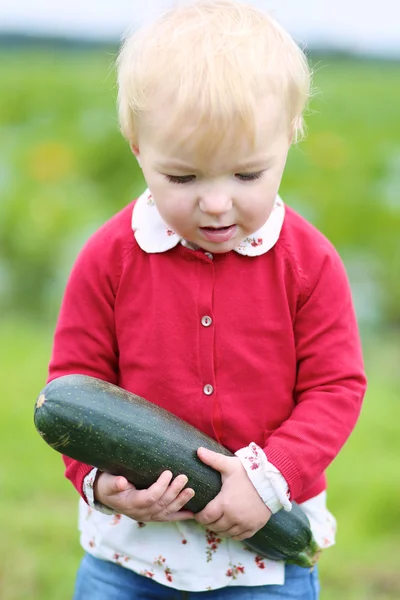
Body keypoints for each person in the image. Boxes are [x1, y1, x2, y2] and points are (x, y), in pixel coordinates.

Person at [46, 1, 367, 598]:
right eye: (184, 178)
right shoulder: (109, 257)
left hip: (264, 561)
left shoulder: (309, 263)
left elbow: (336, 387)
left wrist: (269, 482)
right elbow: (74, 385)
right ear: (139, 147)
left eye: (246, 175)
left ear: (289, 137)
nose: (216, 204)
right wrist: (97, 479)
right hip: (129, 559)